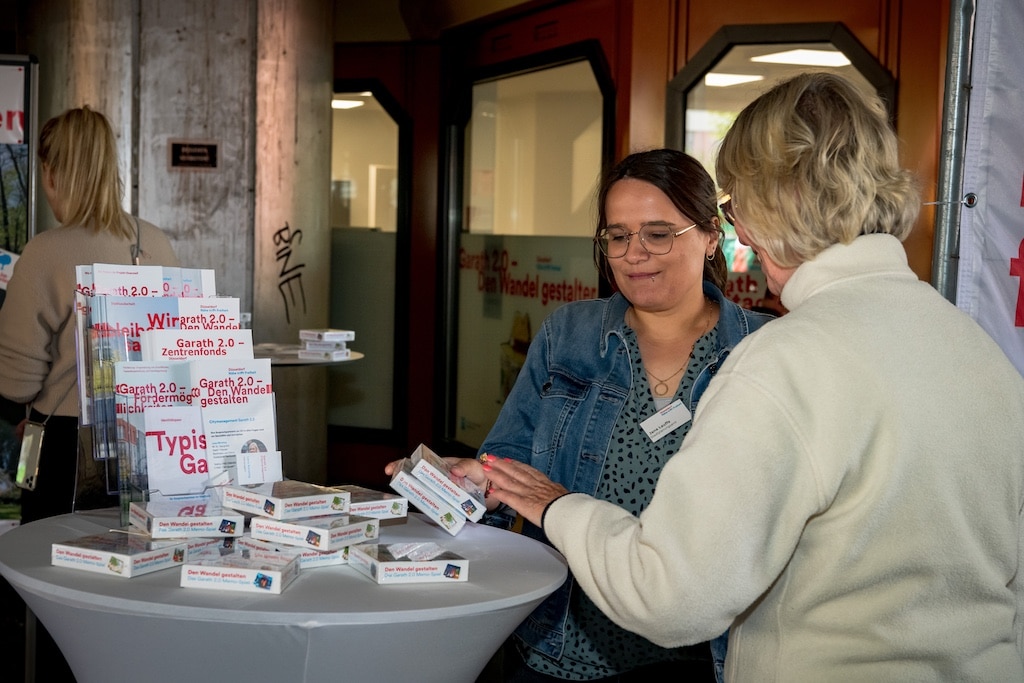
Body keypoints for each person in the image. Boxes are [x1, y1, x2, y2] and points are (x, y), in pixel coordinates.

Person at [472, 72, 1024, 681]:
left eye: (733, 206)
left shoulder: (781, 358)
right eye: (619, 237)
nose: (740, 230)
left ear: (769, 203)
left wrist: (559, 507)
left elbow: (670, 595)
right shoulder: (978, 349)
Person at [393, 148, 773, 681]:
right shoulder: (569, 335)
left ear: (711, 235)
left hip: (699, 658)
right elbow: (510, 470)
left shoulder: (764, 349)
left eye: (658, 233)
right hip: (560, 648)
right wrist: (473, 484)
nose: (634, 253)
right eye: (618, 236)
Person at [0, 105, 180, 524]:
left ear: (52, 173)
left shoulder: (45, 251)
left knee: (46, 567)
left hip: (62, 447)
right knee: (131, 560)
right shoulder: (156, 243)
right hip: (152, 440)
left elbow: (15, 381)